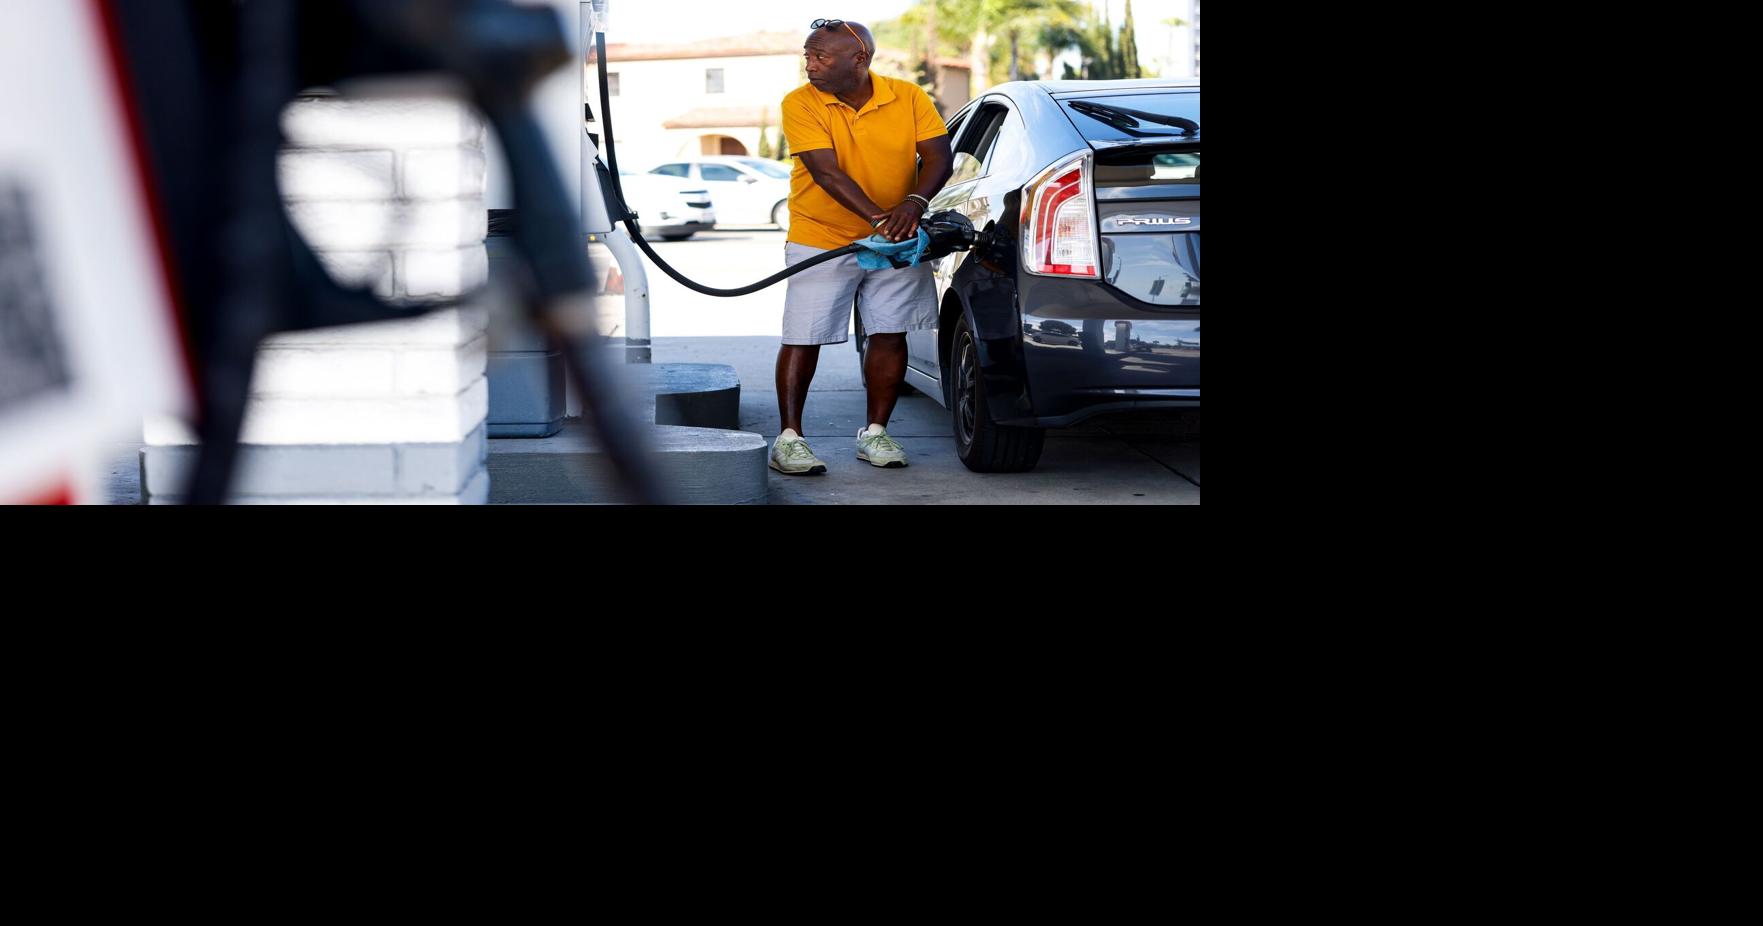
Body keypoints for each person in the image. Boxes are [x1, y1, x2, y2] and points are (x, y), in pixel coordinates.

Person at [768, 18, 953, 476]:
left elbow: (938, 156)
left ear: (859, 59)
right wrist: (881, 219)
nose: (810, 65)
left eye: (820, 56)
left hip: (898, 236)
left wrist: (913, 205)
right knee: (804, 333)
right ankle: (789, 439)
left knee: (890, 331)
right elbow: (825, 171)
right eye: (808, 56)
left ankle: (875, 433)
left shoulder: (908, 96)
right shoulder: (800, 102)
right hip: (821, 234)